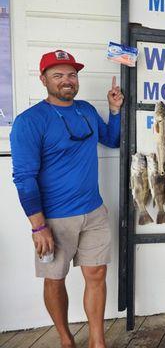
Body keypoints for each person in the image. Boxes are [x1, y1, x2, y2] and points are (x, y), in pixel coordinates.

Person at [10, 50, 123, 348]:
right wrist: (38, 226)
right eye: (58, 75)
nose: (67, 81)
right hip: (54, 219)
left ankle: (97, 341)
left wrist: (114, 111)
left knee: (97, 274)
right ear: (43, 79)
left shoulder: (85, 109)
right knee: (55, 279)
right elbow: (24, 178)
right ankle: (65, 338)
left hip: (94, 211)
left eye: (71, 75)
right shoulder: (29, 122)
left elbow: (112, 140)